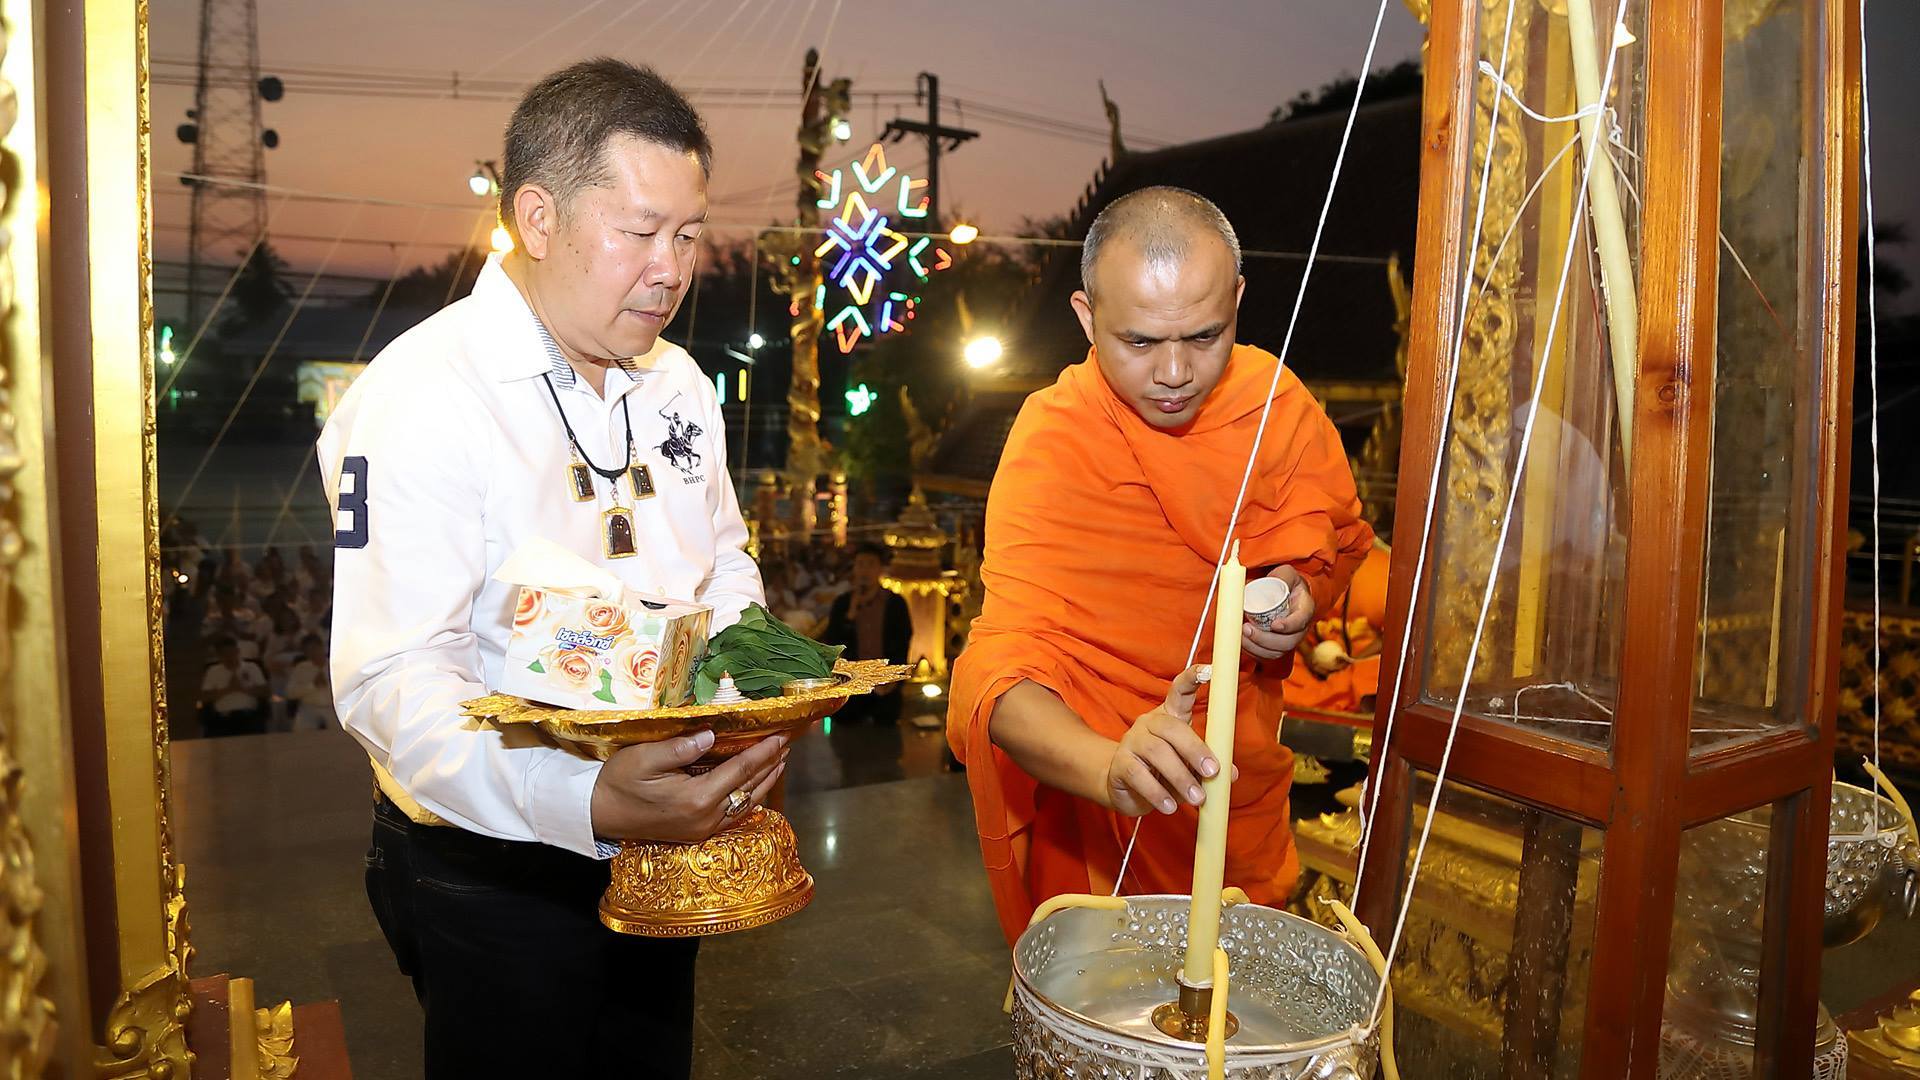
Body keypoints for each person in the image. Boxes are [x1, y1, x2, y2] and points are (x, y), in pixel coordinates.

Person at [319, 59, 779, 1080]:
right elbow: (392, 680)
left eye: (689, 235)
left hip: (666, 829)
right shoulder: (424, 397)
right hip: (493, 869)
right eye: (640, 231)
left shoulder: (679, 384)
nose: (673, 269)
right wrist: (582, 803)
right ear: (537, 216)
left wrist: (745, 699)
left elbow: (724, 563)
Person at [947, 187, 1373, 945]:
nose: (1175, 372)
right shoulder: (1056, 441)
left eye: (1204, 337)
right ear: (1086, 318)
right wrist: (1112, 765)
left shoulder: (1276, 407)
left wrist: (1297, 598)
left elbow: (1331, 544)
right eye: (1140, 343)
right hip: (1098, 814)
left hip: (1233, 796)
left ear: (1238, 301)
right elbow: (998, 675)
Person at [1282, 538, 1390, 717]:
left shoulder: (1383, 570)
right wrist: (1308, 654)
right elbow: (1285, 618)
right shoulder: (1303, 559)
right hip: (1307, 661)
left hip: (1358, 666)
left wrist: (1349, 661)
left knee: (1381, 676)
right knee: (1271, 663)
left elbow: (1390, 639)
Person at [823, 542, 914, 725]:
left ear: (880, 569)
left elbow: (903, 640)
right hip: (852, 685)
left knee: (886, 729)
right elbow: (832, 642)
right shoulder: (843, 603)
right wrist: (850, 616)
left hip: (885, 685)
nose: (865, 570)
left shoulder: (895, 603)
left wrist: (891, 678)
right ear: (854, 569)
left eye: (871, 564)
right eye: (861, 564)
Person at [199, 635, 268, 737]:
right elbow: (204, 697)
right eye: (224, 654)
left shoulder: (252, 667)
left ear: (238, 651)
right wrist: (228, 689)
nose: (229, 657)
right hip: (222, 720)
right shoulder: (212, 671)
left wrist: (243, 689)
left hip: (249, 717)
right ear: (218, 655)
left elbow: (266, 692)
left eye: (232, 653)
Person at [283, 634, 335, 732]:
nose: (313, 653)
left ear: (322, 647)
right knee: (301, 730)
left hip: (332, 708)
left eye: (315, 648)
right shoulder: (301, 668)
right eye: (309, 651)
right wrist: (312, 686)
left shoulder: (335, 665)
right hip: (309, 708)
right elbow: (290, 693)